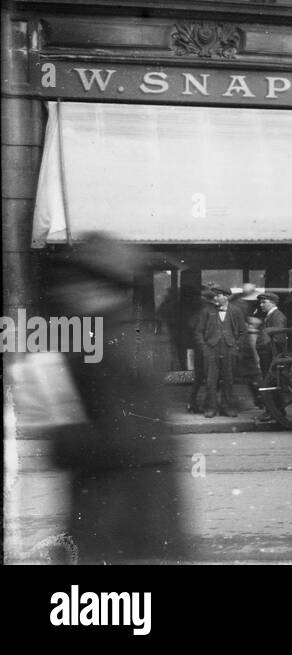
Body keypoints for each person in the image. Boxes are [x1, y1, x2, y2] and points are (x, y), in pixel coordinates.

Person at [43, 233, 189, 563]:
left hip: (121, 518)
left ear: (97, 286)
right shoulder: (115, 335)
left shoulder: (110, 344)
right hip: (132, 515)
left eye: (74, 283)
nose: (66, 293)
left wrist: (59, 437)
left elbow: (125, 436)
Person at [195, 287, 246, 417]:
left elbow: (242, 332)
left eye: (218, 296)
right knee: (211, 380)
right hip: (211, 350)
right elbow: (199, 331)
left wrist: (236, 347)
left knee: (228, 380)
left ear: (227, 297)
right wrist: (205, 348)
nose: (215, 298)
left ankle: (227, 407)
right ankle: (211, 408)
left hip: (230, 349)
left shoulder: (236, 311)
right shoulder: (207, 311)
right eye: (214, 296)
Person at [255, 293, 287, 418]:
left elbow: (279, 339)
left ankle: (275, 412)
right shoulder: (271, 316)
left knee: (271, 384)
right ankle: (274, 411)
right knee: (270, 384)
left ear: (273, 302)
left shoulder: (277, 316)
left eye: (264, 302)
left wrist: (265, 349)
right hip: (268, 355)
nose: (261, 305)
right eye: (261, 302)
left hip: (271, 356)